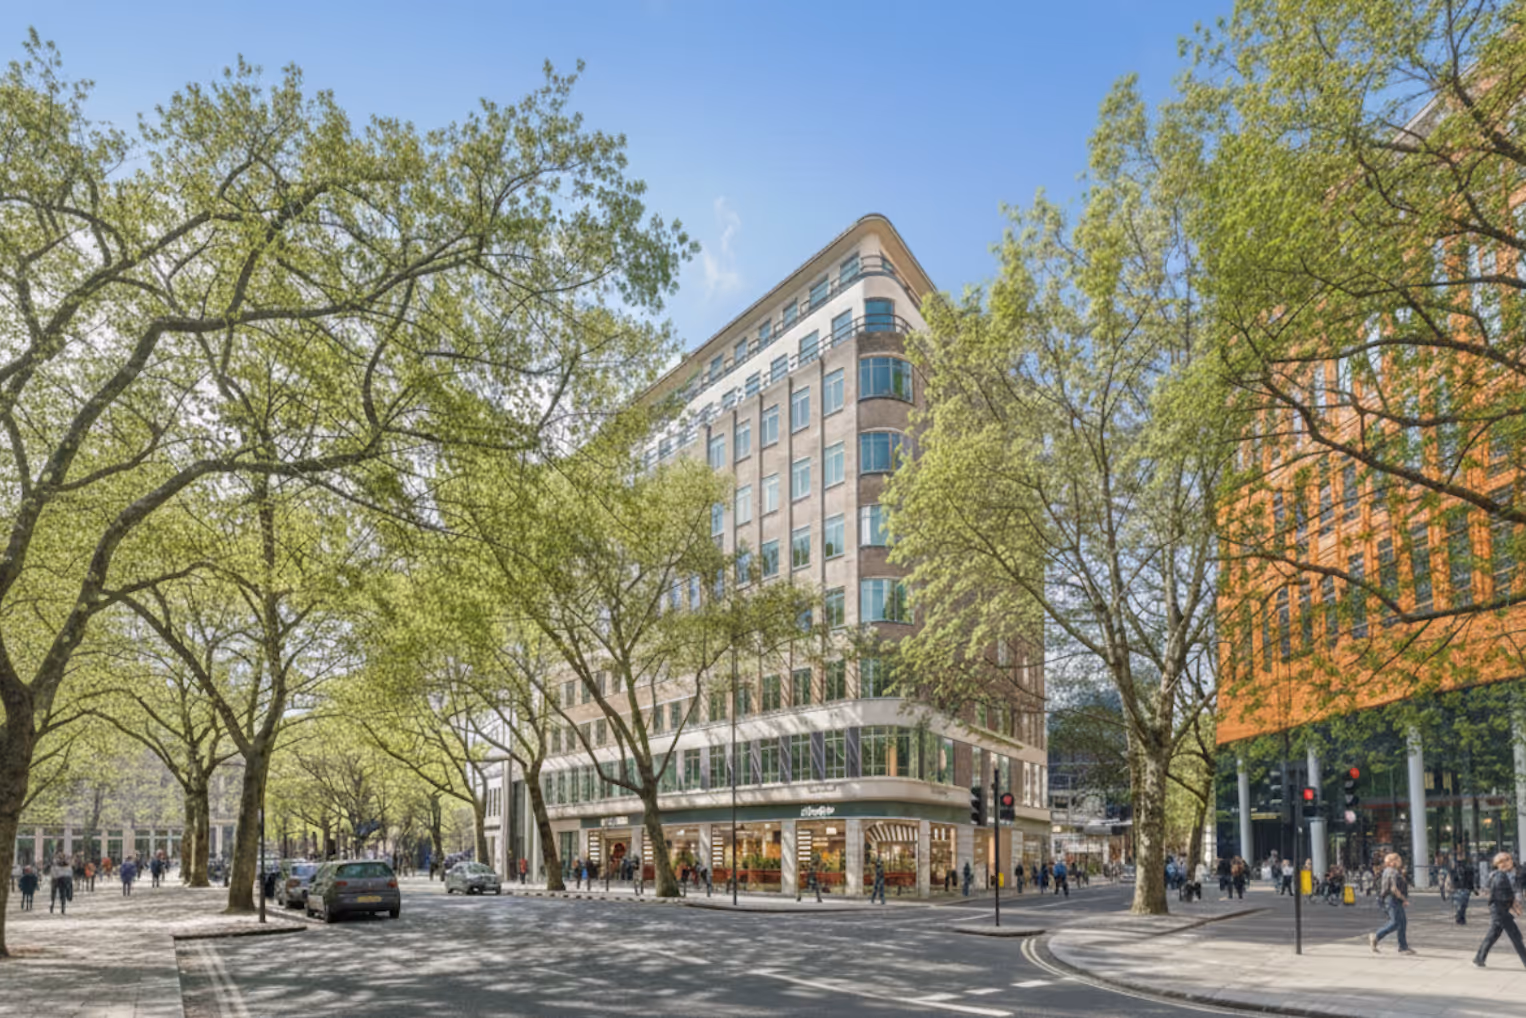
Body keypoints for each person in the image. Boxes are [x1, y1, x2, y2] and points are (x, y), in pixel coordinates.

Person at [1473, 852, 1526, 968]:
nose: (1506, 862)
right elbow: (1502, 896)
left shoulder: (1512, 874)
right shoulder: (1498, 876)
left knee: (1493, 935)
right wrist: (1514, 906)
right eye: (1501, 861)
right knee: (1516, 936)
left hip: (1502, 910)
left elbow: (1518, 886)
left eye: (1508, 859)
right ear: (1497, 864)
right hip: (1500, 910)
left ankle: (1479, 958)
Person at [1370, 852, 1415, 955]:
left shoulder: (1394, 871)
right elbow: (1393, 888)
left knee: (1402, 922)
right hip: (1391, 899)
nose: (1400, 862)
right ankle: (1377, 936)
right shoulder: (1391, 872)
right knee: (1395, 922)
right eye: (1398, 860)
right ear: (1391, 862)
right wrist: (1403, 899)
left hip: (1394, 899)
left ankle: (1403, 946)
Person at [1454, 855, 1478, 925]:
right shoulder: (1469, 870)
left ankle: (1460, 917)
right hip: (1464, 888)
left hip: (1460, 888)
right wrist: (1473, 889)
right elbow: (1471, 881)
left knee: (1460, 904)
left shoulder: (1457, 870)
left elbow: (1455, 880)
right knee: (1463, 905)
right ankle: (1461, 918)